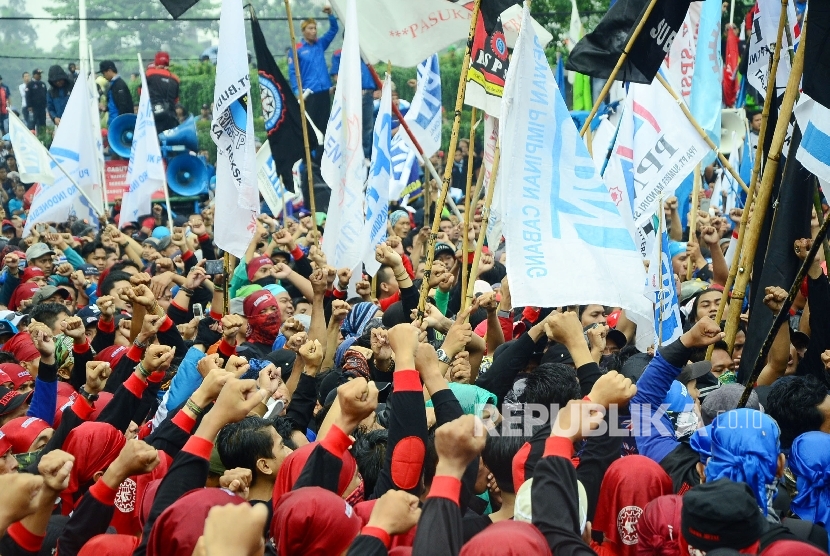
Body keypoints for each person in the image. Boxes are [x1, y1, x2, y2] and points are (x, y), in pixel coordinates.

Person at [287, 5, 339, 132]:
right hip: (309, 93)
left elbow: (334, 30)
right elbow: (293, 72)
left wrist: (330, 15)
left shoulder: (320, 44)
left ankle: (324, 151)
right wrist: (297, 91)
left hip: (324, 91)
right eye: (310, 28)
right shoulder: (297, 49)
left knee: (326, 124)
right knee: (312, 127)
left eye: (315, 28)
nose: (314, 31)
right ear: (303, 31)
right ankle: (313, 151)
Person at [144, 51, 180, 133]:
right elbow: (176, 100)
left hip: (153, 117)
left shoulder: (149, 74)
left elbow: (141, 92)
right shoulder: (175, 79)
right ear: (168, 63)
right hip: (170, 117)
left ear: (155, 62)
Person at [99, 61, 133, 125]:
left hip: (118, 122)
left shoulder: (119, 85)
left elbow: (123, 105)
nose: (103, 76)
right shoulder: (112, 84)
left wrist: (121, 122)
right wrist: (105, 108)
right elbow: (113, 104)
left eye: (104, 73)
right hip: (113, 121)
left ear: (109, 71)